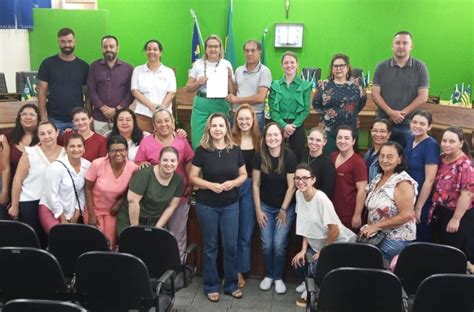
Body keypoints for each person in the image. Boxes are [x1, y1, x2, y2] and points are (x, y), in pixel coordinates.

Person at [189, 113, 247, 302]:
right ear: (209, 128)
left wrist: (234, 183)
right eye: (214, 125)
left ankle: (230, 284)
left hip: (231, 204)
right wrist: (210, 185)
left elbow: (244, 175)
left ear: (226, 128)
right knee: (211, 246)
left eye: (221, 125)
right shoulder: (202, 150)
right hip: (207, 205)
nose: (217, 129)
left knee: (230, 246)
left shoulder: (235, 150)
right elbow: (193, 177)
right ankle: (211, 285)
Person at [291, 163, 356, 308]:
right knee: (299, 262)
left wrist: (323, 252)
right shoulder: (298, 194)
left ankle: (315, 292)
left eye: (305, 178)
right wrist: (303, 250)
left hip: (338, 244)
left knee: (317, 266)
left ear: (313, 180)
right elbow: (304, 224)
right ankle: (308, 282)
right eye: (297, 178)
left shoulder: (321, 199)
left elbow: (335, 230)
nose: (300, 181)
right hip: (318, 245)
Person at [134, 108, 194, 256]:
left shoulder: (181, 140)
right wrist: (141, 164)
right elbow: (139, 163)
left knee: (177, 233)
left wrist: (191, 184)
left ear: (172, 121)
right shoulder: (146, 142)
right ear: (153, 124)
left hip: (178, 195)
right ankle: (159, 266)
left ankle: (178, 267)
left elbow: (188, 161)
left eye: (167, 120)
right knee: (157, 233)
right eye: (159, 121)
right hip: (154, 198)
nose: (163, 124)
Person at [253, 122, 297, 294]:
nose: (272, 138)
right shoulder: (259, 156)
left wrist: (283, 210)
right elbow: (255, 185)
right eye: (269, 135)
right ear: (265, 138)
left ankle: (278, 277)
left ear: (282, 137)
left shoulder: (289, 156)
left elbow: (292, 186)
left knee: (278, 244)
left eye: (276, 135)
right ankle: (269, 275)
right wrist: (258, 210)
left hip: (284, 209)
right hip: (264, 206)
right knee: (266, 244)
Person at [9, 121, 65, 247]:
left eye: (50, 132)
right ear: (38, 136)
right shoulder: (30, 153)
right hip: (31, 201)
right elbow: (17, 180)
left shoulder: (66, 153)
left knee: (57, 239)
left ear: (57, 133)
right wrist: (15, 205)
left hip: (57, 202)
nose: (47, 136)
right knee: (36, 239)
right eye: (42, 134)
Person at [361, 141, 418, 262]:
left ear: (400, 159)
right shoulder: (378, 177)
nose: (384, 160)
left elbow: (406, 215)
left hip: (394, 240)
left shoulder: (402, 182)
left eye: (390, 156)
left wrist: (375, 226)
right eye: (382, 156)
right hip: (377, 236)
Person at [371, 31, 429, 148]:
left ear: (411, 46)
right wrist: (390, 112)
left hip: (408, 123)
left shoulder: (420, 67)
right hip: (383, 120)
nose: (401, 46)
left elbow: (423, 96)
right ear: (392, 46)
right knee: (380, 154)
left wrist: (401, 114)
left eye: (405, 43)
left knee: (406, 157)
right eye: (397, 43)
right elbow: (375, 93)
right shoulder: (381, 67)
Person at [85, 135, 138, 249]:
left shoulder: (133, 168)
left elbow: (131, 190)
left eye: (121, 150)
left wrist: (119, 203)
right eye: (113, 151)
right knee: (96, 243)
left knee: (110, 244)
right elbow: (87, 188)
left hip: (112, 211)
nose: (118, 154)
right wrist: (91, 214)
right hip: (94, 210)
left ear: (126, 150)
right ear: (108, 152)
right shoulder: (97, 164)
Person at [430, 126, 473, 263]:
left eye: (452, 141)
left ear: (461, 143)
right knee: (437, 252)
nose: (446, 144)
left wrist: (456, 219)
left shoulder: (465, 164)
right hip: (439, 211)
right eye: (444, 141)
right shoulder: (442, 158)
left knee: (451, 255)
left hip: (456, 214)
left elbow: (467, 194)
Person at [117, 146, 183, 234]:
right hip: (132, 218)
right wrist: (135, 230)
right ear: (159, 160)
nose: (169, 164)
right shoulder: (144, 174)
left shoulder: (178, 180)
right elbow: (133, 202)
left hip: (156, 221)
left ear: (177, 162)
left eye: (173, 161)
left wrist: (157, 228)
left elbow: (171, 206)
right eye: (165, 160)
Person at [186, 34, 235, 149]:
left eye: (216, 46)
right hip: (201, 104)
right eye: (210, 46)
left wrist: (228, 78)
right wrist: (198, 83)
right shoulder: (197, 64)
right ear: (206, 48)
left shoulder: (226, 64)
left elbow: (232, 92)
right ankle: (199, 165)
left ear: (220, 48)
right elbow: (188, 88)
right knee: (198, 140)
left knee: (220, 140)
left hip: (220, 104)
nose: (213, 49)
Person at [231, 104, 261, 288]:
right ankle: (230, 269)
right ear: (236, 120)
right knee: (230, 231)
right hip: (232, 186)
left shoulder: (260, 140)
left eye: (247, 119)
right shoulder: (230, 139)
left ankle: (241, 269)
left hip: (251, 188)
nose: (244, 122)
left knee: (245, 233)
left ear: (253, 120)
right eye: (240, 119)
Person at [312, 53, 367, 154]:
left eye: (342, 65)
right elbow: (316, 104)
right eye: (335, 66)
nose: (338, 68)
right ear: (332, 68)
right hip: (329, 130)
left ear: (347, 67)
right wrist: (328, 113)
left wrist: (349, 112)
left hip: (350, 130)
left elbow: (362, 102)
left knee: (349, 161)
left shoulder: (357, 85)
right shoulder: (324, 85)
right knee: (329, 160)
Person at [37, 27, 89, 132]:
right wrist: (43, 117)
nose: (67, 45)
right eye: (63, 42)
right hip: (54, 119)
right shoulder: (47, 64)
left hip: (77, 120)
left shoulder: (84, 66)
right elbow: (41, 92)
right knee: (54, 148)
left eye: (69, 41)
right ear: (58, 42)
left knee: (77, 148)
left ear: (75, 42)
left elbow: (88, 94)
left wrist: (87, 117)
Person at [38, 134, 90, 234]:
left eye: (79, 146)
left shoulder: (87, 165)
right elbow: (51, 195)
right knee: (59, 238)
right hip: (50, 209)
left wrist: (77, 213)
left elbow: (82, 191)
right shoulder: (56, 167)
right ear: (65, 149)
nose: (76, 149)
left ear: (84, 148)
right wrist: (63, 219)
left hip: (71, 210)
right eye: (72, 146)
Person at [269, 51, 312, 162]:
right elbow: (273, 110)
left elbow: (306, 110)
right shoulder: (275, 85)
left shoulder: (306, 86)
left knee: (298, 156)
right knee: (277, 156)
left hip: (297, 126)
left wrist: (292, 126)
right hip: (279, 124)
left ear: (297, 64)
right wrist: (284, 125)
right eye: (286, 63)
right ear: (282, 65)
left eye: (292, 62)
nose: (289, 65)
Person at [87, 35, 134, 135]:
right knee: (101, 146)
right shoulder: (94, 66)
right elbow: (91, 90)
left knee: (120, 146)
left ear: (117, 48)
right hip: (99, 117)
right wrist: (103, 108)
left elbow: (130, 93)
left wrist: (116, 110)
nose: (108, 49)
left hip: (121, 118)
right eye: (105, 47)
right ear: (102, 49)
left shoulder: (128, 68)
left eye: (111, 46)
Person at [0, 104, 40, 219]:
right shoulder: (8, 136)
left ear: (38, 118)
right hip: (13, 187)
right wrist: (5, 192)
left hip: (36, 191)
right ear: (19, 117)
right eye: (24, 114)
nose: (28, 117)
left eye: (32, 114)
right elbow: (5, 167)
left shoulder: (44, 136)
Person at [404, 110, 439, 242]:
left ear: (429, 126)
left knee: (419, 237)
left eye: (422, 124)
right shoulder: (410, 139)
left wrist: (418, 207)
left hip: (421, 200)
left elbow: (429, 180)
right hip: (408, 196)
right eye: (414, 122)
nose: (417, 126)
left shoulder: (431, 145)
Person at [226, 39, 272, 133]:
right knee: (235, 144)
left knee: (255, 145)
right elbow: (234, 93)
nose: (249, 53)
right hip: (236, 113)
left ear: (259, 52)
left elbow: (260, 98)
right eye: (247, 51)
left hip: (255, 115)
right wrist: (230, 78)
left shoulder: (264, 71)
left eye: (253, 50)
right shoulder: (238, 70)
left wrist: (237, 100)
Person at [131, 39, 176, 133]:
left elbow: (171, 93)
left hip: (165, 117)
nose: (151, 52)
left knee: (166, 144)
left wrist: (161, 110)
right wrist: (150, 105)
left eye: (155, 49)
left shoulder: (169, 72)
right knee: (144, 143)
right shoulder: (138, 70)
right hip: (143, 115)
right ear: (146, 52)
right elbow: (134, 91)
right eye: (149, 49)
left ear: (160, 52)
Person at [330, 126, 368, 231]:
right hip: (332, 211)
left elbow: (362, 190)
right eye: (340, 137)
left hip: (348, 214)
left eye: (347, 138)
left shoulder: (358, 162)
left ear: (353, 141)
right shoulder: (332, 156)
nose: (342, 141)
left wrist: (357, 215)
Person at [301, 128, 335, 197]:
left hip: (317, 201)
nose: (314, 142)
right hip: (300, 198)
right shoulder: (304, 152)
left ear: (324, 142)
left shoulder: (327, 163)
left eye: (318, 140)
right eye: (311, 139)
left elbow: (327, 191)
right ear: (307, 139)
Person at [364, 119, 392, 184]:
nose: (378, 134)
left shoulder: (391, 154)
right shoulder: (368, 153)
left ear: (389, 134)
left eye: (382, 131)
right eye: (375, 130)